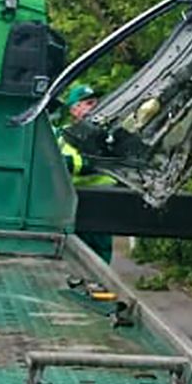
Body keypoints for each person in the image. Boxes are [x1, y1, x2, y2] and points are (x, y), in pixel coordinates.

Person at [57, 84, 116, 262]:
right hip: (74, 202)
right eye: (89, 103)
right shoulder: (63, 135)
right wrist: (90, 164)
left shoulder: (107, 134)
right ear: (74, 109)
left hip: (104, 201)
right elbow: (61, 164)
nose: (95, 106)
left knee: (100, 253)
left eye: (96, 102)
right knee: (74, 254)